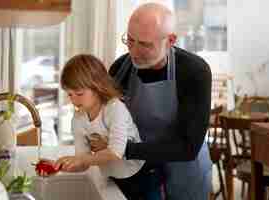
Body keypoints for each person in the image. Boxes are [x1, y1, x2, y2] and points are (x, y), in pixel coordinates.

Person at [92, 3, 213, 200]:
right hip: (138, 172)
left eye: (145, 44)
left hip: (185, 171)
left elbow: (188, 146)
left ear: (171, 40)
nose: (134, 52)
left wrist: (122, 148)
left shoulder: (194, 72)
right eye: (130, 41)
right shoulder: (120, 69)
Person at [42, 54, 162, 200]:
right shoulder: (78, 120)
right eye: (70, 94)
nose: (73, 100)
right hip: (114, 177)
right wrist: (60, 166)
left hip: (142, 175)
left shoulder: (115, 108)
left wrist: (82, 159)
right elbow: (83, 162)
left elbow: (115, 153)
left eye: (79, 93)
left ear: (97, 86)